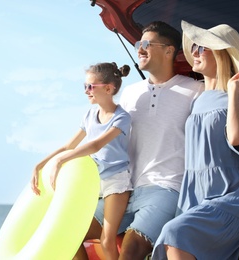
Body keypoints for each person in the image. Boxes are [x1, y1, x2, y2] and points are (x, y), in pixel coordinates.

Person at [74, 21, 204, 260]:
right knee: (70, 233)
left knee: (131, 250)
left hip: (166, 189)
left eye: (146, 44)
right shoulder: (131, 92)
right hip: (124, 189)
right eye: (137, 44)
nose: (139, 49)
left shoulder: (196, 90)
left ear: (168, 50)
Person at [152, 20, 239, 260]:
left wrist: (234, 92)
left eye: (201, 48)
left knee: (174, 233)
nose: (194, 52)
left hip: (233, 195)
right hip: (195, 194)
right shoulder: (197, 100)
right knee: (171, 240)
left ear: (223, 55)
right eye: (193, 47)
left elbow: (236, 137)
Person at [31, 62, 133, 260]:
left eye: (90, 87)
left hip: (116, 182)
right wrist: (39, 165)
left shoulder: (121, 118)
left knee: (106, 240)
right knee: (71, 235)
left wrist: (62, 160)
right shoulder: (89, 115)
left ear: (109, 88)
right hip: (95, 181)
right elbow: (69, 145)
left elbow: (96, 145)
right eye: (85, 86)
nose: (86, 91)